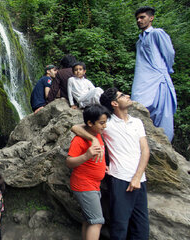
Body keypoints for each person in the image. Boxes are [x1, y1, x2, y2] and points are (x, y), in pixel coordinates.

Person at [71, 88, 150, 239]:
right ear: (114, 103)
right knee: (120, 225)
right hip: (119, 178)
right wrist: (93, 138)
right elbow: (75, 127)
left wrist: (137, 177)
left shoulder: (137, 122)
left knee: (141, 227)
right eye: (122, 95)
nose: (127, 96)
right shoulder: (107, 124)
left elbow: (145, 150)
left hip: (140, 179)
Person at [131, 6, 176, 141]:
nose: (139, 20)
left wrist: (164, 70)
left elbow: (169, 53)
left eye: (142, 17)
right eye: (137, 18)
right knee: (137, 103)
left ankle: (164, 141)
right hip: (143, 78)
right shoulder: (139, 41)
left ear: (151, 18)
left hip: (158, 76)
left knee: (163, 111)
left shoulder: (157, 33)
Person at [66, 105, 110, 240]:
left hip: (93, 184)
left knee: (88, 220)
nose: (105, 126)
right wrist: (86, 155)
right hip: (84, 185)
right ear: (90, 123)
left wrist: (103, 167)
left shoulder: (96, 134)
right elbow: (69, 162)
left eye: (105, 122)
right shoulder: (79, 140)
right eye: (101, 123)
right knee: (96, 221)